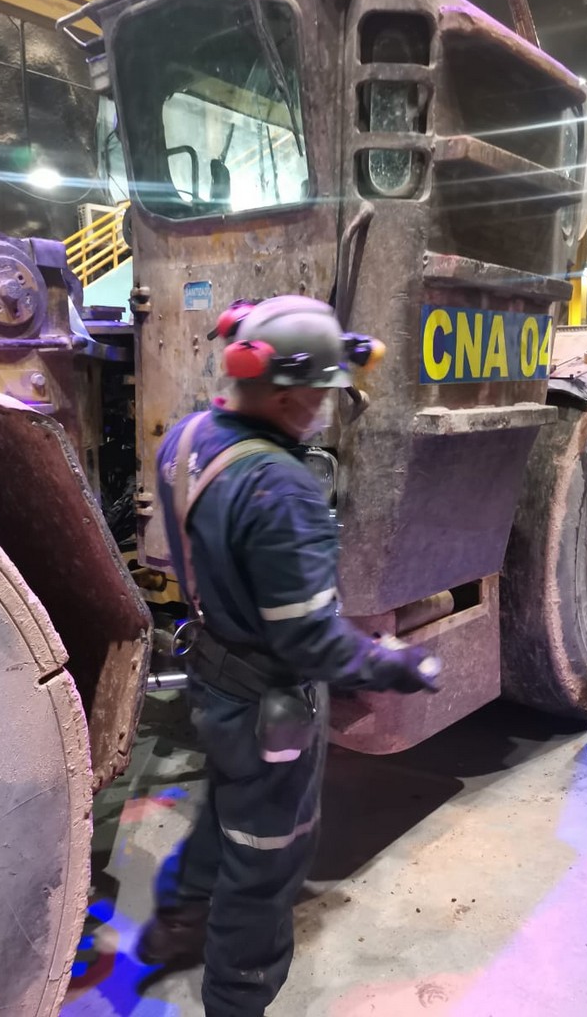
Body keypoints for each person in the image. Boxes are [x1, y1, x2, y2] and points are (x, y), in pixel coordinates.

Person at [137, 294, 440, 1017]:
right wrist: (397, 665)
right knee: (267, 858)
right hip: (268, 701)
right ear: (285, 394)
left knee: (226, 807)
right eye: (322, 391)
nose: (328, 404)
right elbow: (310, 641)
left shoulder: (187, 438)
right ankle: (236, 998)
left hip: (212, 675)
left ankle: (178, 920)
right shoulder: (283, 490)